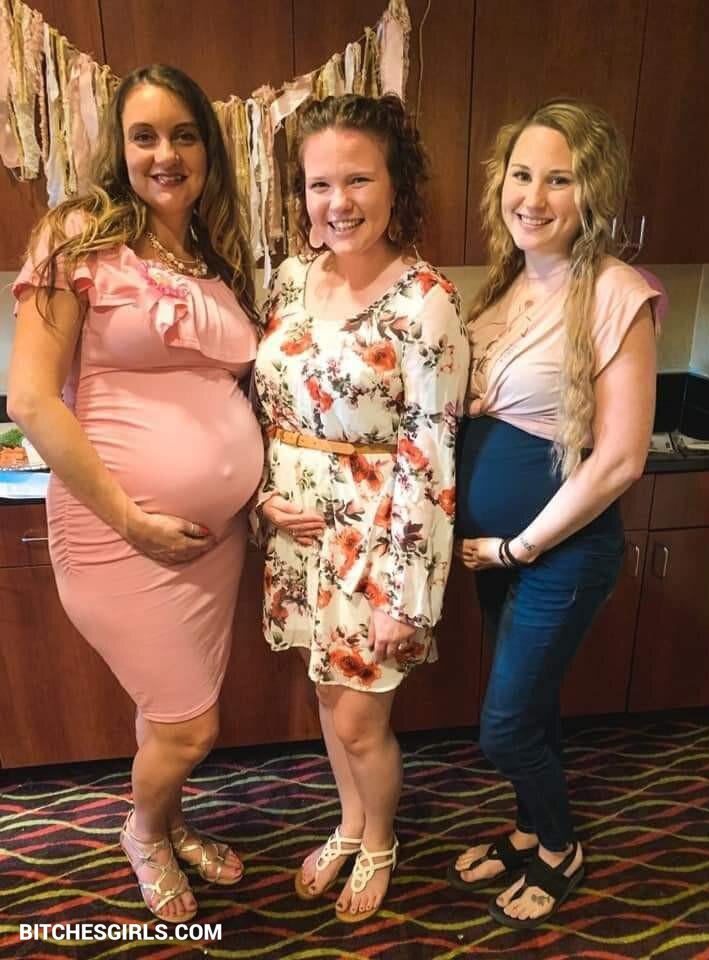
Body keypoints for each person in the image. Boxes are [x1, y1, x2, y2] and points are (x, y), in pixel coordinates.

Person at [8, 65, 263, 923]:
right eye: (144, 136)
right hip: (116, 532)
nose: (166, 154)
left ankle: (172, 819)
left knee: (168, 711)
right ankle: (144, 833)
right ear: (117, 150)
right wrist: (131, 519)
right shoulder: (76, 236)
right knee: (191, 726)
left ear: (208, 150)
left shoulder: (213, 255)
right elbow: (31, 399)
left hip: (210, 544)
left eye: (184, 135)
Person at [252, 93, 469, 923]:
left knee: (359, 722)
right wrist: (261, 497)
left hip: (377, 545)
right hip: (296, 537)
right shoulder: (289, 280)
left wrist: (405, 596)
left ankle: (380, 840)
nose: (337, 202)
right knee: (325, 698)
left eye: (357, 180)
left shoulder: (425, 302)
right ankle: (349, 823)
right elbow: (264, 405)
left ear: (395, 184)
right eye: (320, 184)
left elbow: (430, 452)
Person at [448, 98, 658, 929]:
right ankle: (530, 830)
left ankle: (562, 847)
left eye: (559, 180)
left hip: (555, 555)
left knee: (503, 730)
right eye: (522, 174)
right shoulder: (503, 284)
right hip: (495, 552)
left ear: (591, 191)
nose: (532, 197)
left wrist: (519, 547)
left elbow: (621, 458)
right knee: (531, 709)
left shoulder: (615, 291)